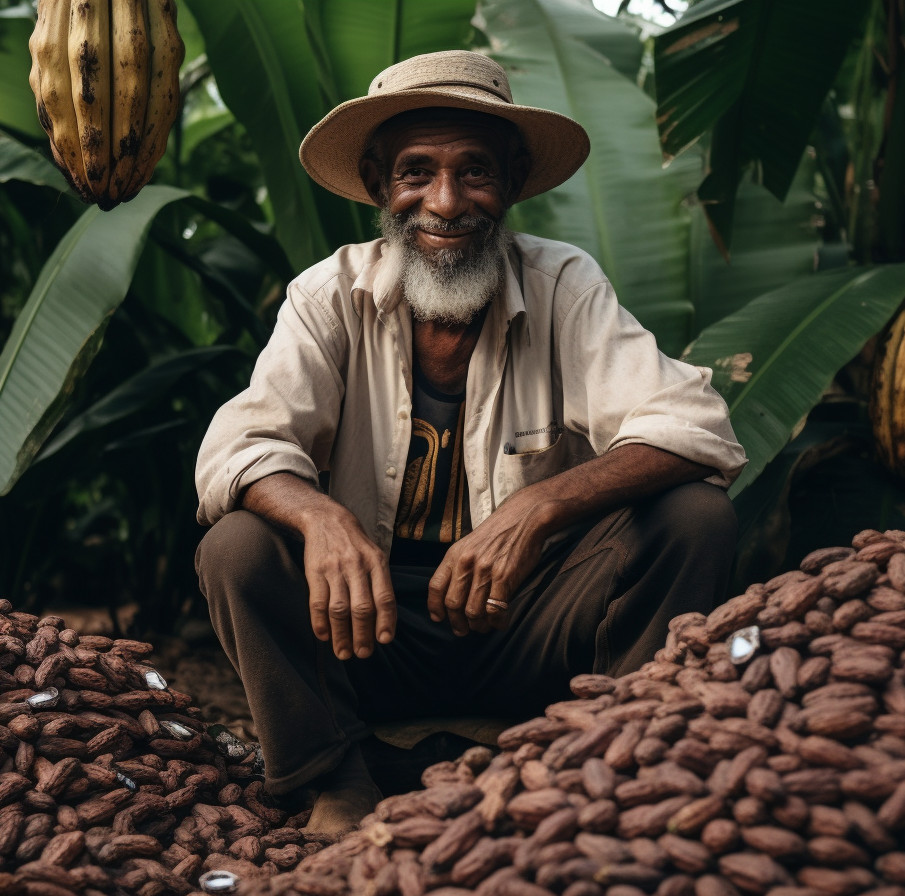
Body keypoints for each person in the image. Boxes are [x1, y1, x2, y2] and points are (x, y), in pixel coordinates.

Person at [194, 51, 746, 833]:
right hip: (366, 629)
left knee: (694, 518)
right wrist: (322, 520)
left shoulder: (564, 284)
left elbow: (695, 426)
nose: (445, 203)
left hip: (521, 624)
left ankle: (615, 758)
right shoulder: (330, 295)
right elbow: (239, 447)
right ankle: (336, 774)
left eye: (475, 172)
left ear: (514, 179)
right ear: (382, 181)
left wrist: (541, 508)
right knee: (238, 548)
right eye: (416, 172)